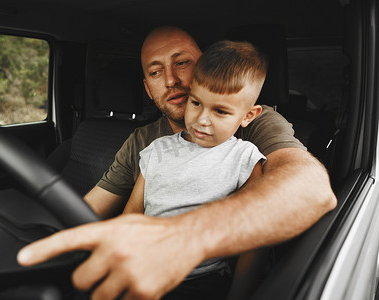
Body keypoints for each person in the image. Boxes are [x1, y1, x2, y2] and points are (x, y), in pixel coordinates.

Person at [17, 26, 337, 300]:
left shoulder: (253, 124)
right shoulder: (148, 144)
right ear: (147, 87)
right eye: (156, 72)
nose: (170, 80)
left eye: (182, 62)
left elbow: (310, 189)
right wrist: (31, 245)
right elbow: (92, 212)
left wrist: (185, 237)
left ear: (204, 66)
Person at [122, 40, 267, 299]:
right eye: (196, 103)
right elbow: (132, 215)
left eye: (220, 111)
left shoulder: (244, 159)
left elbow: (255, 239)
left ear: (248, 116)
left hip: (202, 282)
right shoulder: (157, 150)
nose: (202, 119)